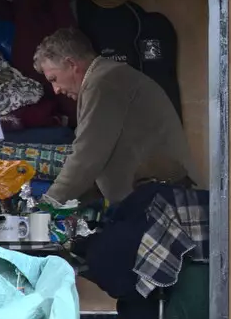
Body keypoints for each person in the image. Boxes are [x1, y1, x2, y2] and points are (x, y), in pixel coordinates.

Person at [33, 27, 196, 207]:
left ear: (71, 64)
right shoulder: (107, 77)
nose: (55, 90)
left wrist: (49, 205)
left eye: (54, 78)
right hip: (157, 193)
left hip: (160, 198)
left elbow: (88, 154)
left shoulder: (102, 84)